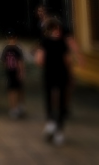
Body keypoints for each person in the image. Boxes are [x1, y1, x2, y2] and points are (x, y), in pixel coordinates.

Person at [35, 18, 71, 146]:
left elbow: (39, 60)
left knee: (50, 98)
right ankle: (59, 132)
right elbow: (67, 61)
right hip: (62, 74)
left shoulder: (44, 42)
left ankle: (51, 123)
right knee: (61, 101)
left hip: (49, 74)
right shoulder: (63, 43)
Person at [0, 31, 25, 118]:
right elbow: (20, 62)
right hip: (13, 71)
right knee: (14, 90)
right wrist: (21, 72)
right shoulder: (16, 48)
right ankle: (15, 108)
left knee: (14, 90)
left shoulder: (7, 48)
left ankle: (15, 108)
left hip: (11, 71)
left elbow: (4, 61)